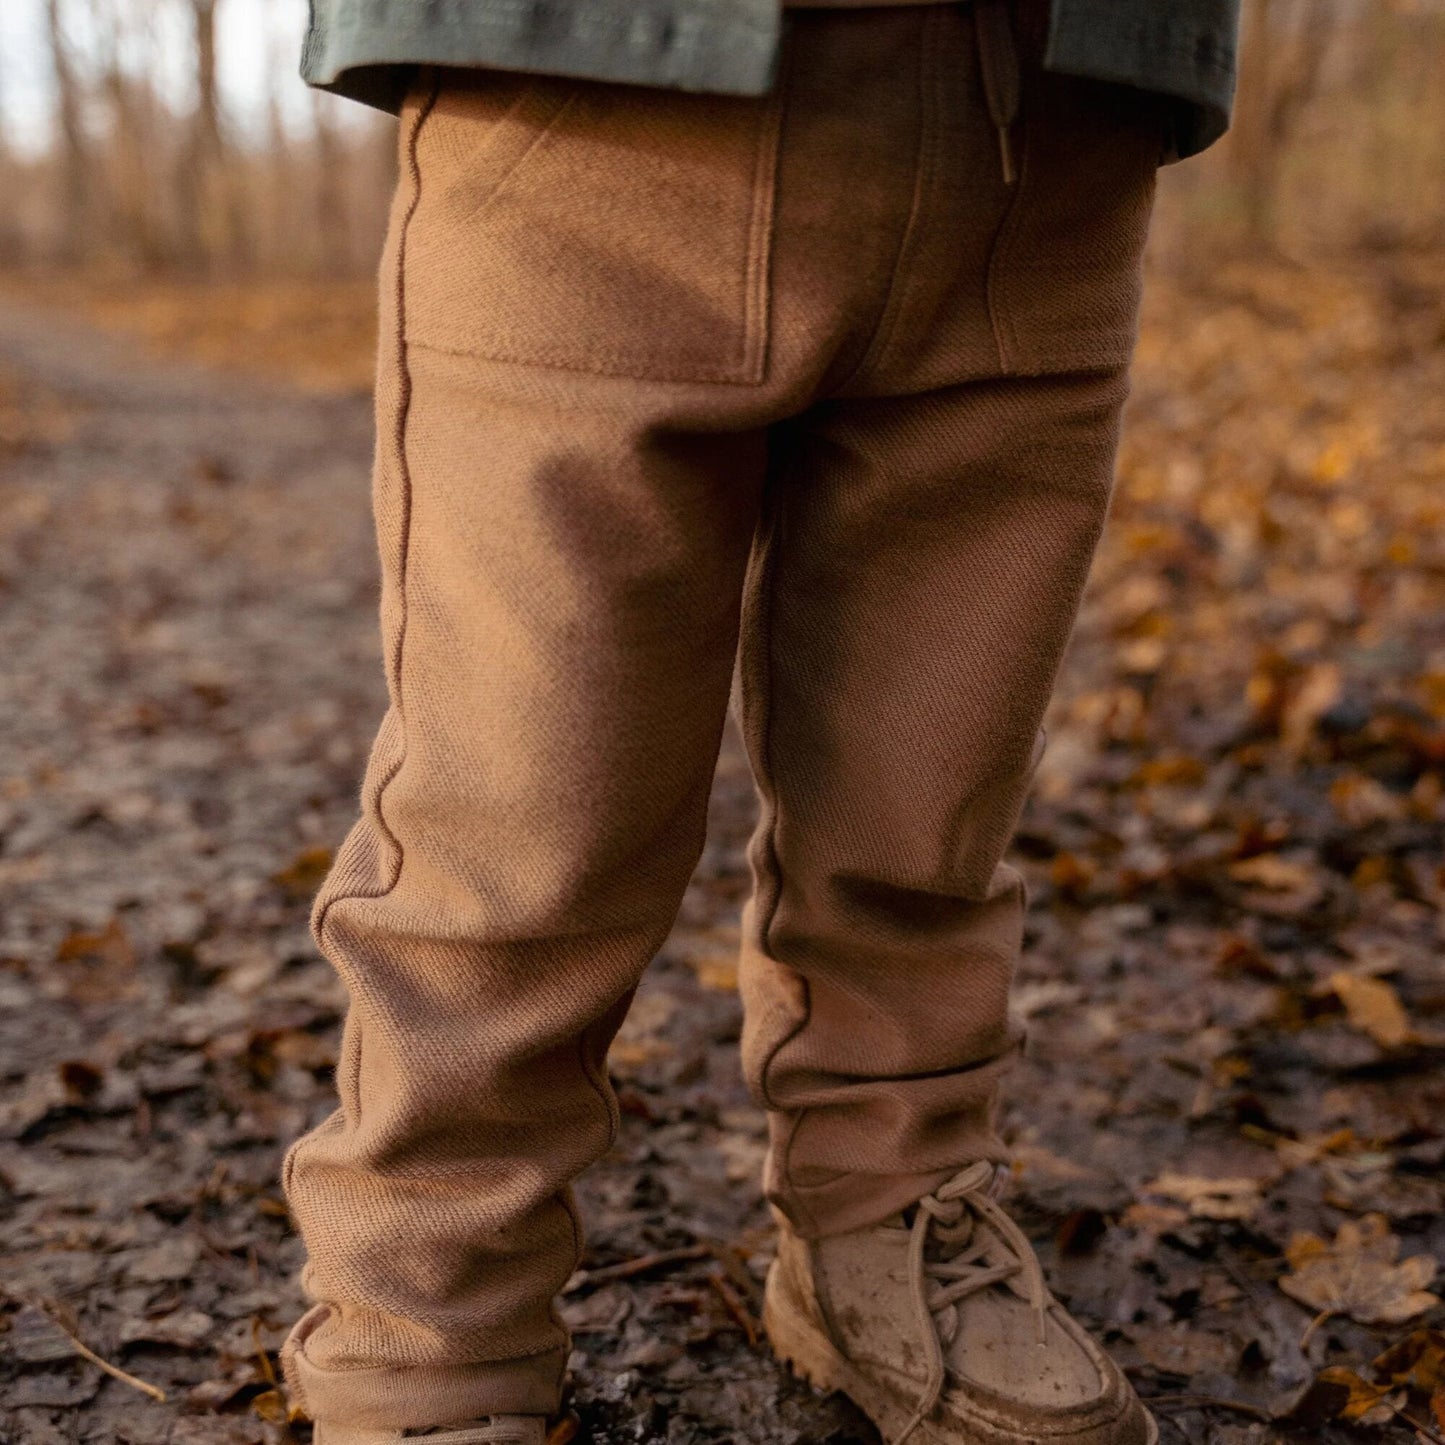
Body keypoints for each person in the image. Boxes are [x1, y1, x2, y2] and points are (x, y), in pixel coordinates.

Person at [279, 0, 1240, 1441]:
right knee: (527, 800)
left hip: (1053, 104)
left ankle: (886, 1216)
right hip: (586, 72)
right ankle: (434, 1303)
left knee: (929, 797)